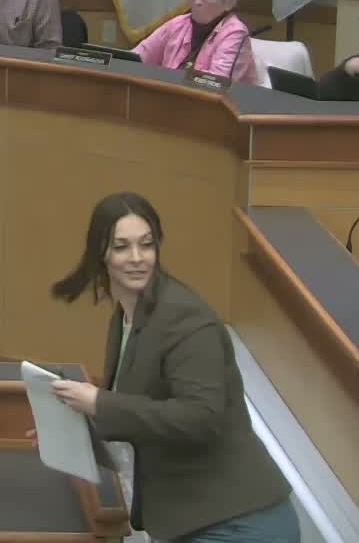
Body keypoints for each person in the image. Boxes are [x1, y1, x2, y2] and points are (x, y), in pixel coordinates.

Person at [46, 193, 297, 542]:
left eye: (146, 245)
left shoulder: (185, 318)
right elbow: (145, 417)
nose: (137, 258)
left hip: (240, 523)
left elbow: (200, 417)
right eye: (122, 247)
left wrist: (99, 402)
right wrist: (70, 432)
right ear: (100, 253)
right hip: (198, 521)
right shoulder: (126, 318)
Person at [131, 0, 259, 84]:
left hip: (221, 101)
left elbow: (217, 83)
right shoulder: (178, 23)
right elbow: (136, 57)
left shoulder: (235, 32)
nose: (197, 1)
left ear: (228, 3)